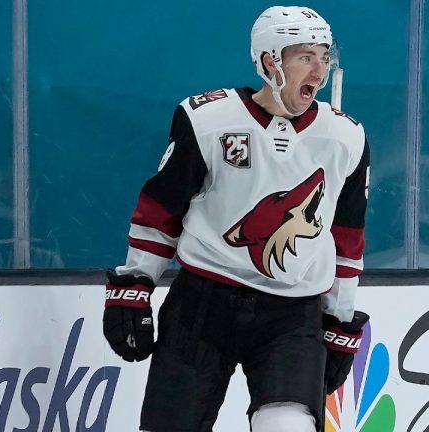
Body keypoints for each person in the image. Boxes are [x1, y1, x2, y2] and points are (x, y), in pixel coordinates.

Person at [103, 6, 371, 431]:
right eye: (305, 56)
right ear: (270, 62)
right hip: (202, 303)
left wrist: (340, 318)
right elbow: (162, 209)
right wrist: (136, 284)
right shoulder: (207, 118)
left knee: (287, 425)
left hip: (292, 313)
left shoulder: (347, 138)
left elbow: (347, 236)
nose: (319, 70)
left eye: (324, 56)